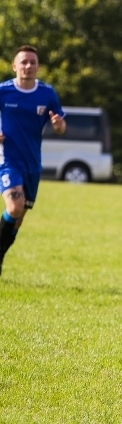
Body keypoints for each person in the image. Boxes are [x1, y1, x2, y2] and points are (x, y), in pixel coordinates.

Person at [0, 45, 67, 277]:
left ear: (38, 67)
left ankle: (1, 253)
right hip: (7, 160)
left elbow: (61, 126)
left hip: (32, 164)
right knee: (14, 206)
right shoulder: (3, 91)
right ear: (14, 66)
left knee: (18, 220)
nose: (28, 66)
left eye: (33, 63)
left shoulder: (47, 94)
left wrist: (59, 125)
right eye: (24, 62)